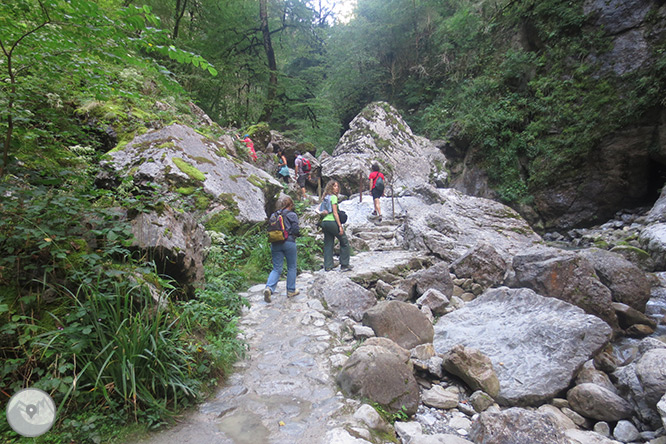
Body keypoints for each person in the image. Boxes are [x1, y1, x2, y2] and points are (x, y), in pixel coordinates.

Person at [263, 195, 300, 303]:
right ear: (290, 205)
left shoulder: (274, 215)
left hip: (275, 243)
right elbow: (296, 230)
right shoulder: (292, 215)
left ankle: (269, 288)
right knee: (292, 267)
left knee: (276, 268)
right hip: (288, 242)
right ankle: (291, 290)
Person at [320, 180, 352, 272]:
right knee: (344, 241)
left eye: (337, 186)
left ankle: (328, 266)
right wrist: (340, 226)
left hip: (325, 222)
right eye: (334, 186)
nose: (337, 188)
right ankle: (344, 264)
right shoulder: (333, 197)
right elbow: (335, 213)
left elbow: (320, 210)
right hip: (332, 222)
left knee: (328, 243)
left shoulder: (325, 197)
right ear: (331, 187)